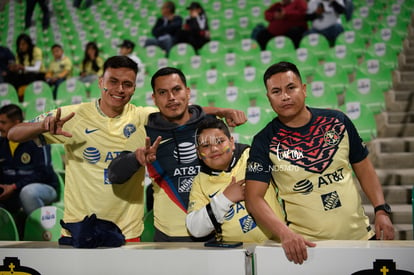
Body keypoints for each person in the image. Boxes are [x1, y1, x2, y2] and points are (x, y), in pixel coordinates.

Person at [244, 61, 395, 265]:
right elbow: (253, 198)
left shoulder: (338, 122)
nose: (285, 96)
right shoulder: (264, 141)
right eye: (276, 91)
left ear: (304, 89)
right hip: (306, 250)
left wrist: (381, 210)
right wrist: (284, 233)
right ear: (268, 98)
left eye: (291, 88)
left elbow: (365, 169)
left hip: (361, 240)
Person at [8, 56, 158, 242]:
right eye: (113, 81)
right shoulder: (72, 115)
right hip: (79, 230)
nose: (120, 89)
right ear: (100, 82)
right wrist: (42, 127)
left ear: (134, 88)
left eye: (127, 84)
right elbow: (13, 133)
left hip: (127, 232)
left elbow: (185, 113)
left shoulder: (143, 116)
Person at [108, 67, 247, 242]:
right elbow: (113, 174)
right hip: (169, 237)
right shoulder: (145, 134)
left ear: (187, 92)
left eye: (176, 90)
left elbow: (235, 155)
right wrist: (136, 158)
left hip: (216, 231)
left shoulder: (209, 125)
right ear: (154, 98)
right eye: (162, 92)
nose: (171, 97)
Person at [186, 117, 284, 242]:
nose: (214, 149)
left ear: (231, 142)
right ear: (199, 153)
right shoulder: (200, 181)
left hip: (277, 245)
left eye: (219, 141)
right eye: (206, 145)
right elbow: (195, 228)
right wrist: (225, 198)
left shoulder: (253, 156)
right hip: (231, 254)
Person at [0, 104, 58, 217]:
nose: (0, 126)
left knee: (28, 192)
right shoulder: (1, 143)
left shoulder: (37, 140)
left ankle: (39, 232)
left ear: (16, 123)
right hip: (12, 191)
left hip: (42, 188)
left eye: (3, 123)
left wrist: (14, 186)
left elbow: (43, 173)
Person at [5, 33, 46, 100]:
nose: (21, 47)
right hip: (25, 75)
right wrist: (14, 68)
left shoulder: (36, 50)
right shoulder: (19, 54)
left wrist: (23, 68)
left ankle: (32, 97)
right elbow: (19, 69)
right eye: (19, 45)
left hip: (38, 75)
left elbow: (37, 69)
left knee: (30, 76)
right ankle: (14, 98)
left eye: (23, 44)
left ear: (28, 44)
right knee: (10, 76)